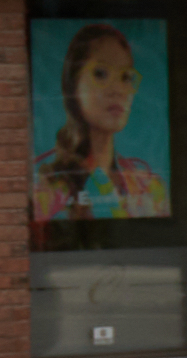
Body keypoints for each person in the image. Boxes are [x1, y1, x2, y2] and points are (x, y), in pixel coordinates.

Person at [36, 20, 168, 225]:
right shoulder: (46, 187)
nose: (118, 90)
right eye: (101, 74)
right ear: (73, 85)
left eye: (126, 77)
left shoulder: (150, 188)